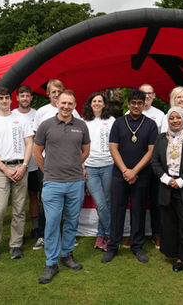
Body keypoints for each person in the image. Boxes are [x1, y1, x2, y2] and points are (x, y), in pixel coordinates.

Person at [34, 90, 90, 284]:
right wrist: (47, 170)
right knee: (52, 222)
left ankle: (66, 255)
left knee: (72, 221)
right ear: (57, 103)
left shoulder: (81, 125)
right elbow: (36, 151)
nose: (66, 107)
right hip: (52, 183)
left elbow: (86, 150)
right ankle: (51, 263)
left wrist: (75, 164)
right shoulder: (46, 125)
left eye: (70, 104)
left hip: (75, 182)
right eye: (63, 103)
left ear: (75, 105)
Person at [101, 89, 158, 264]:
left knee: (138, 210)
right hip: (120, 174)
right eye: (133, 103)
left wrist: (135, 171)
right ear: (128, 104)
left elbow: (151, 151)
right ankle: (113, 246)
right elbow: (113, 148)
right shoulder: (119, 123)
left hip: (142, 174)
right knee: (117, 210)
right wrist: (126, 170)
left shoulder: (150, 125)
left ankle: (137, 246)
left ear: (144, 105)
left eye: (139, 103)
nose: (136, 106)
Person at [151, 107, 183, 282]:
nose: (175, 121)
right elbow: (155, 161)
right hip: (167, 187)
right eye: (172, 118)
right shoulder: (160, 138)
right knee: (171, 226)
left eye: (178, 118)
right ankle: (180, 258)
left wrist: (181, 180)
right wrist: (166, 179)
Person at [0, 87, 33, 260]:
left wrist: (24, 165)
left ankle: (16, 245)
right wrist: (4, 169)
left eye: (6, 98)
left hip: (20, 168)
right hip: (2, 169)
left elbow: (29, 143)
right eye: (0, 98)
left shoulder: (22, 120)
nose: (4, 101)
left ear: (11, 100)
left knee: (19, 209)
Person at [32, 79, 81, 249]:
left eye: (59, 90)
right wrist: (45, 168)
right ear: (49, 94)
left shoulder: (75, 115)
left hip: (70, 170)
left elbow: (83, 144)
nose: (56, 94)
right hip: (47, 166)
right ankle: (43, 235)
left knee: (69, 204)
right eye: (53, 91)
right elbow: (36, 143)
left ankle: (68, 237)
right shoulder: (42, 113)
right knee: (46, 203)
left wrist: (77, 164)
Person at [125, 83, 164, 249]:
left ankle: (157, 233)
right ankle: (134, 234)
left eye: (150, 94)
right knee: (136, 202)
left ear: (154, 96)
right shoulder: (129, 113)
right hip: (135, 165)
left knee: (156, 200)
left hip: (155, 164)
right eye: (143, 93)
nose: (146, 96)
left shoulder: (160, 115)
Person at [12, 85, 44, 250]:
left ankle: (36, 228)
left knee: (34, 195)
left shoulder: (37, 114)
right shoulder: (11, 115)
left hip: (35, 163)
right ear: (17, 98)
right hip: (17, 164)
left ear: (31, 98)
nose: (25, 98)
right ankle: (18, 233)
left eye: (28, 96)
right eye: (22, 96)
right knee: (18, 200)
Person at [82, 92, 115, 251]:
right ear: (90, 104)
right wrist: (81, 164)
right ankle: (112, 234)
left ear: (104, 104)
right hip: (90, 167)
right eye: (94, 100)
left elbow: (116, 144)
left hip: (108, 165)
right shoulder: (83, 122)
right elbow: (78, 145)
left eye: (99, 101)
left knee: (107, 202)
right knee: (101, 203)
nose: (96, 103)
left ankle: (101, 235)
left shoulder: (111, 121)